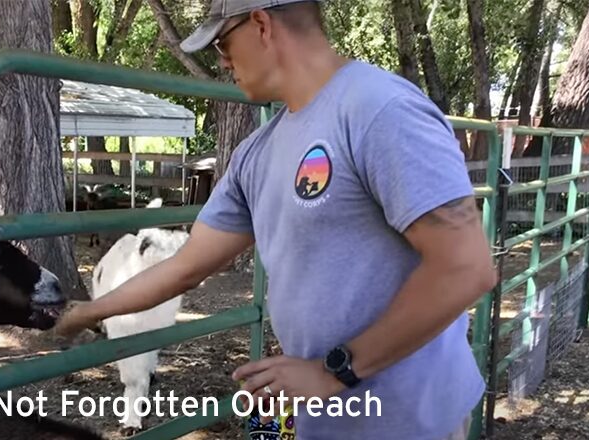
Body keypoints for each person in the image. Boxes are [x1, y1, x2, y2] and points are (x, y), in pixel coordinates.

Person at [54, 0, 497, 438]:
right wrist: (86, 311)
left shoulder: (379, 110)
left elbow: (464, 268)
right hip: (326, 415)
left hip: (408, 420)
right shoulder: (258, 153)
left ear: (262, 25)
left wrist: (332, 372)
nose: (223, 61)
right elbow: (185, 266)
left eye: (223, 44)